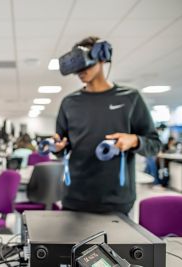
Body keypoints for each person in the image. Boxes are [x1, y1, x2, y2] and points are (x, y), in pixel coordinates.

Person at [53, 36, 162, 214]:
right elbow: (62, 146)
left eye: (85, 64)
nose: (80, 71)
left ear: (102, 58)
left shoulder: (130, 98)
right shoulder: (69, 102)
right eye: (76, 67)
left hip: (115, 199)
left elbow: (154, 145)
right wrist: (58, 147)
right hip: (75, 197)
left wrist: (134, 140)